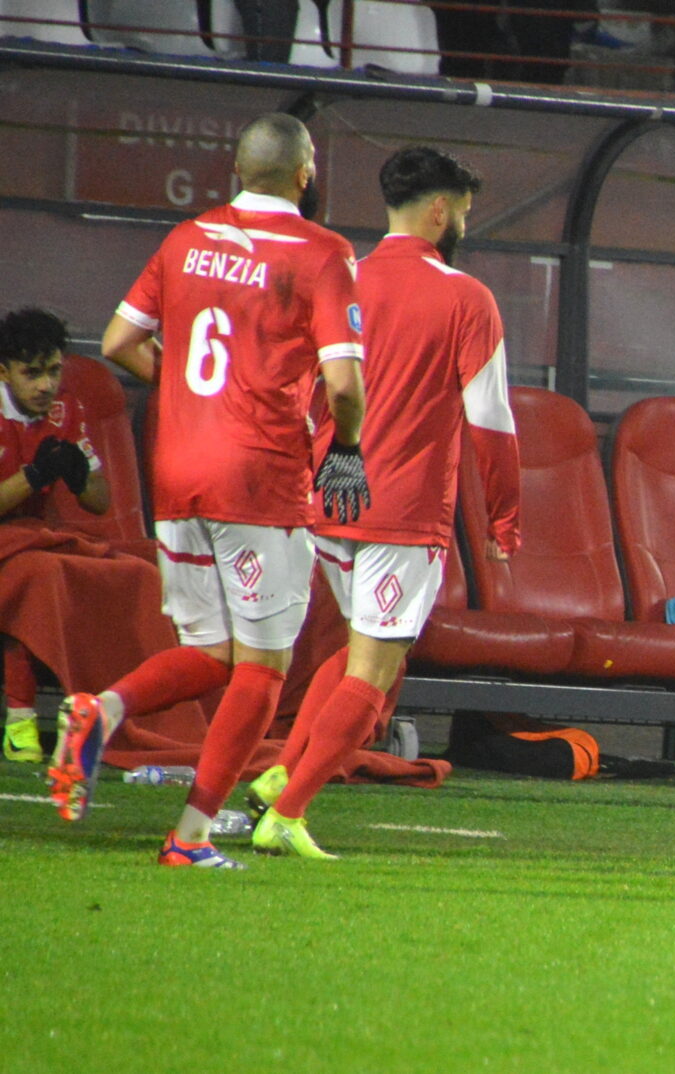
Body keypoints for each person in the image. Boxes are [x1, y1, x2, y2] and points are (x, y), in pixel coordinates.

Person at [50, 113, 368, 870]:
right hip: (257, 478)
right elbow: (345, 382)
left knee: (212, 651)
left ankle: (105, 708)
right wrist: (347, 449)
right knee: (262, 668)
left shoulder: (187, 239)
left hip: (177, 474)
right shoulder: (324, 252)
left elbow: (121, 341)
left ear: (237, 172)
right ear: (303, 174)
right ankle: (188, 840)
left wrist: (198, 403)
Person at [239, 146, 523, 860]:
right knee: (375, 667)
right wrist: (505, 515)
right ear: (439, 209)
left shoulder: (341, 281)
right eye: (462, 208)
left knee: (358, 649)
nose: (462, 221)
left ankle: (281, 775)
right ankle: (291, 812)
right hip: (404, 504)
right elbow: (490, 420)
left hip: (333, 495)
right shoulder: (466, 298)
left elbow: (300, 399)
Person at [0, 308, 110, 764]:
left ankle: (119, 715)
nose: (45, 385)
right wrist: (35, 474)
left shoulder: (68, 409)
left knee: (135, 575)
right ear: (3, 371)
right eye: (31, 373)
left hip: (31, 537)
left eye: (53, 371)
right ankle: (21, 722)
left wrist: (79, 474)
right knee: (37, 575)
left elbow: (100, 502)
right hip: (16, 544)